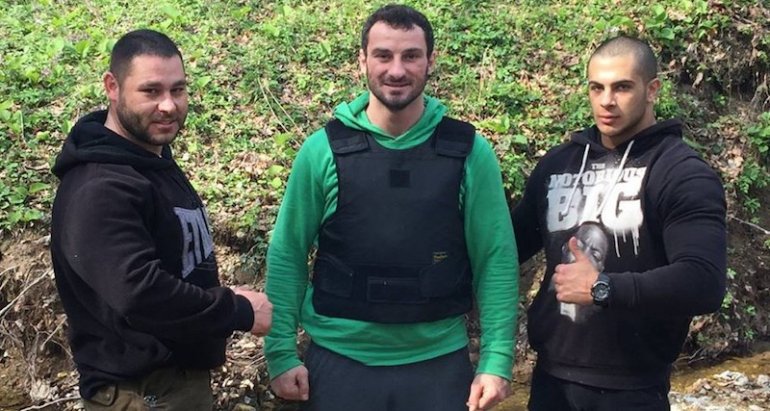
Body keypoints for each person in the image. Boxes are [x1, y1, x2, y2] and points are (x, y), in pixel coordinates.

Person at [264, 4, 519, 411]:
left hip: (438, 367)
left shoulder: (469, 152)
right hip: (338, 363)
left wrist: (497, 359)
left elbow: (496, 257)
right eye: (383, 55)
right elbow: (288, 252)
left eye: (411, 56)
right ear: (362, 60)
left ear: (430, 61)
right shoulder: (321, 151)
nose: (396, 70)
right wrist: (280, 352)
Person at [50, 29, 272, 410]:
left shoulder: (151, 160)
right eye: (151, 91)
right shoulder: (100, 188)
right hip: (143, 393)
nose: (168, 105)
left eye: (178, 90)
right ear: (112, 87)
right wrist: (235, 310)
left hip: (174, 386)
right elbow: (140, 293)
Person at [511, 35, 727, 410]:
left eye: (622, 87)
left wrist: (603, 287)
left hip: (633, 388)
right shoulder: (558, 164)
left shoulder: (681, 172)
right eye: (596, 88)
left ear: (652, 89)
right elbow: (505, 247)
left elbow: (703, 281)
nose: (606, 101)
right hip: (551, 381)